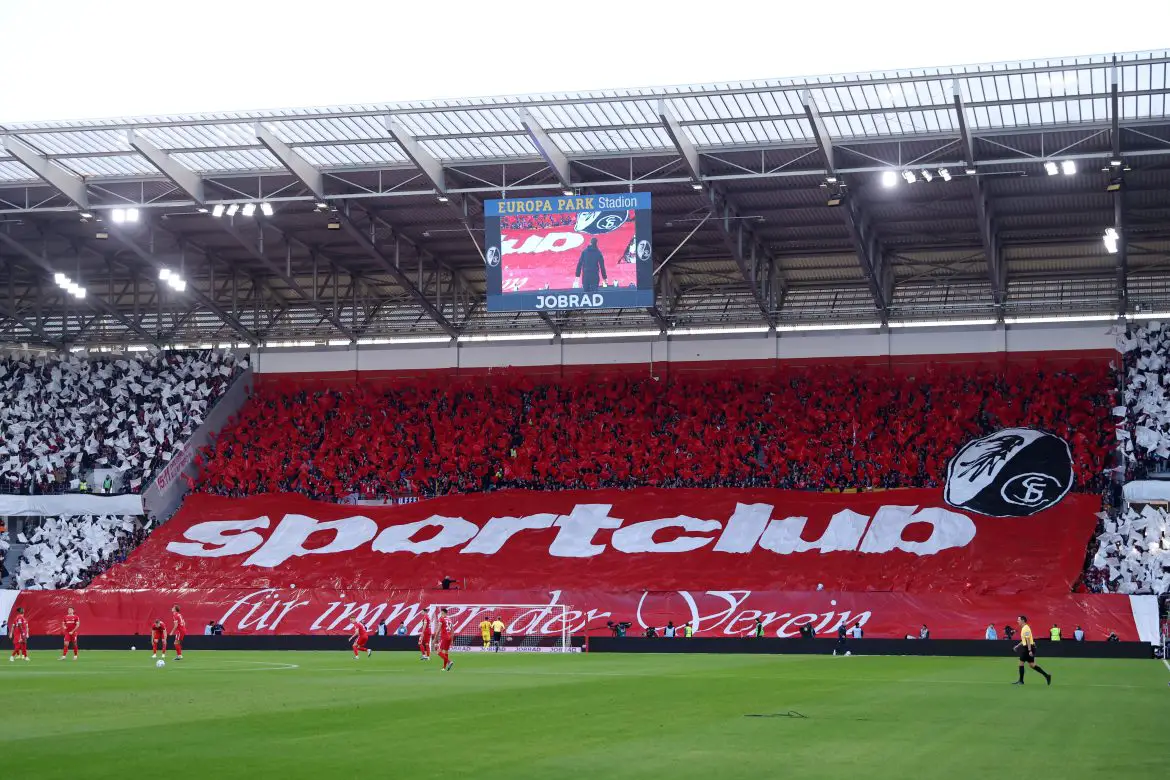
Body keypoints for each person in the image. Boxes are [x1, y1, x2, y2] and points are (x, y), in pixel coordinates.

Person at [1012, 615, 1052, 686]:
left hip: (1028, 648)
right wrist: (1017, 646)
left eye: (1018, 620)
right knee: (1032, 665)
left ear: (1023, 620)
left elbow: (1027, 640)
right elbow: (1024, 640)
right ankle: (1047, 675)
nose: (1017, 621)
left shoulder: (1026, 628)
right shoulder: (1024, 628)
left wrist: (1029, 650)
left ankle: (1021, 681)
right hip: (1028, 647)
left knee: (1021, 663)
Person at [437, 607, 455, 672]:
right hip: (449, 637)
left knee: (438, 652)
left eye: (441, 613)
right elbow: (453, 630)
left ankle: (449, 662)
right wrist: (452, 640)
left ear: (443, 613)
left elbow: (438, 629)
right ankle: (444, 668)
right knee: (445, 652)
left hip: (444, 637)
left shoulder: (441, 619)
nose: (440, 614)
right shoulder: (449, 620)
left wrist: (435, 638)